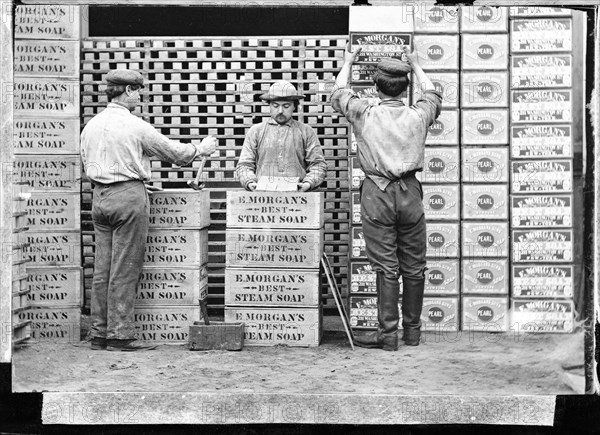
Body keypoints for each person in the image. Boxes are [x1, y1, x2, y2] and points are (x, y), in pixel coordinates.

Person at [80, 69, 217, 351]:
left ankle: (98, 334)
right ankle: (120, 335)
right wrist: (200, 149)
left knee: (103, 268)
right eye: (138, 90)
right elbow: (174, 154)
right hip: (128, 198)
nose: (140, 95)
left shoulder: (90, 126)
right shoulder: (134, 125)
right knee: (125, 268)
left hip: (99, 198)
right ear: (128, 91)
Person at [331, 46, 442, 351]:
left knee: (386, 266)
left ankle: (388, 334)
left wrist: (349, 61)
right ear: (407, 88)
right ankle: (413, 332)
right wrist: (417, 66)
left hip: (376, 193)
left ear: (375, 87)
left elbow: (339, 91)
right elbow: (433, 94)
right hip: (410, 192)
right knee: (415, 265)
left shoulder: (365, 113)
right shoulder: (419, 114)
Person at [235, 80, 327, 191]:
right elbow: (244, 165)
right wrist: (250, 182)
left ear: (294, 106)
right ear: (269, 105)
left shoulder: (306, 131)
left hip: (297, 198)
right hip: (263, 197)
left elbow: (318, 165)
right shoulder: (255, 131)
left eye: (286, 106)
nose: (280, 111)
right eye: (275, 105)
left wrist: (308, 183)